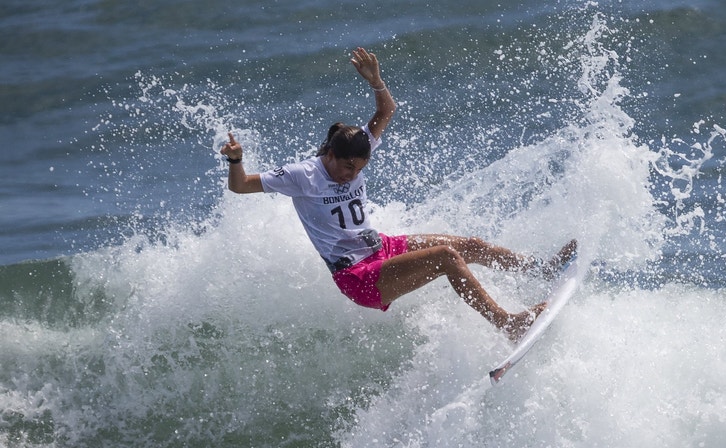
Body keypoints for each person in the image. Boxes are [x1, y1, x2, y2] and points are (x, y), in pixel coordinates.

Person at [220, 47, 576, 341]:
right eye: (347, 169)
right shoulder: (302, 175)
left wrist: (376, 81)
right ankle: (507, 324)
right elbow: (240, 185)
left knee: (471, 245)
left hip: (381, 248)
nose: (352, 176)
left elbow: (386, 110)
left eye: (359, 169)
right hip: (358, 276)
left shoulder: (357, 150)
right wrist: (236, 160)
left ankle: (540, 270)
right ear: (330, 154)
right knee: (448, 257)